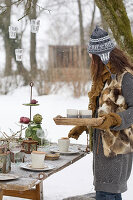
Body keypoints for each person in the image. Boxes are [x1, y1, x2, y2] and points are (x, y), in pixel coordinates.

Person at [68, 26, 133, 200]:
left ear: (102, 56)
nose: (90, 58)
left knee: (108, 194)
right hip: (101, 150)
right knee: (104, 193)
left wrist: (116, 119)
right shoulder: (102, 80)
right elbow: (100, 112)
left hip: (117, 149)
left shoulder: (125, 77)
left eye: (92, 56)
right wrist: (83, 125)